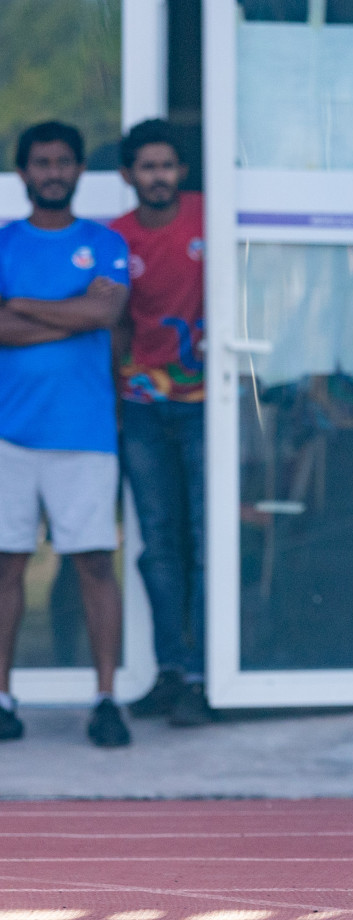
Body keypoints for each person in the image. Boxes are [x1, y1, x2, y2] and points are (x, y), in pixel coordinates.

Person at [0, 120, 133, 748]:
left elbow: (106, 312)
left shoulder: (103, 242)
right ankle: (2, 699)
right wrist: (73, 314)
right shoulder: (3, 243)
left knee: (94, 568)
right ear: (23, 172)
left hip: (85, 434)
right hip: (10, 434)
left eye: (64, 162)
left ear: (80, 170)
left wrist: (22, 304)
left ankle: (106, 699)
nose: (53, 171)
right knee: (7, 570)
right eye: (41, 162)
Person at [110, 119, 212, 727]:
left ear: (183, 171)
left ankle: (207, 674)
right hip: (143, 405)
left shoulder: (208, 217)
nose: (158, 177)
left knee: (204, 538)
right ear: (128, 175)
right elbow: (115, 321)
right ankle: (170, 671)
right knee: (158, 541)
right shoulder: (116, 237)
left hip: (207, 403)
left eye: (167, 165)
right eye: (146, 167)